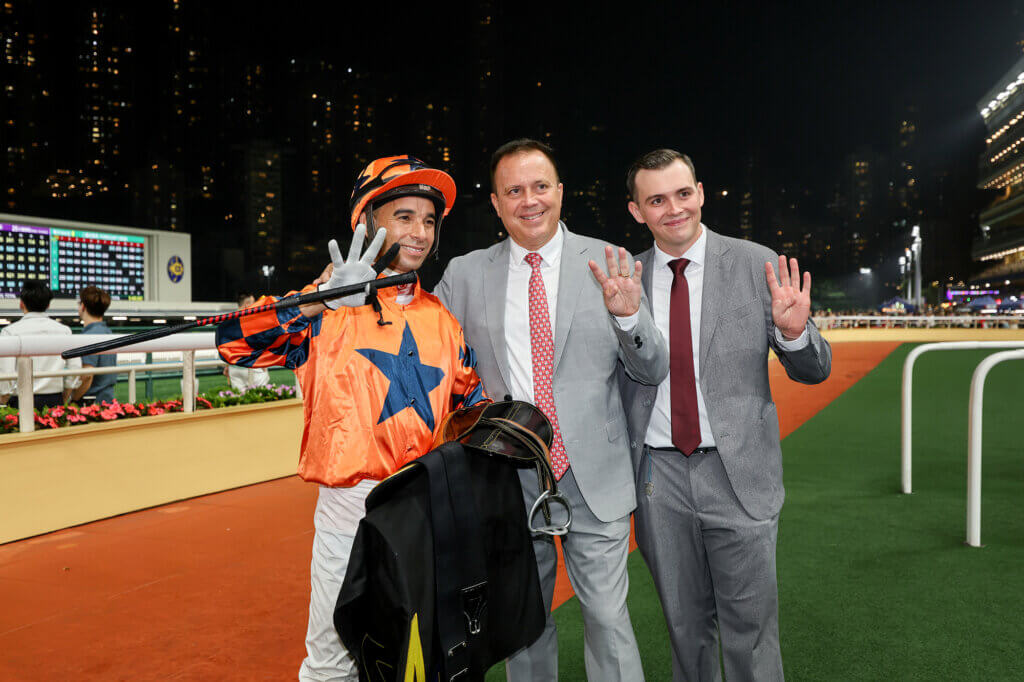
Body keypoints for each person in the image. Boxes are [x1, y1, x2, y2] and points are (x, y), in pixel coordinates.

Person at [216, 155, 486, 682]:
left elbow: (466, 410)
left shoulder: (443, 319)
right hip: (348, 512)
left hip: (421, 510)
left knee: (416, 655)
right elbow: (232, 344)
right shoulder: (322, 308)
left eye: (429, 221)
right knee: (332, 660)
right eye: (404, 216)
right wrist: (321, 298)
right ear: (366, 223)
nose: (421, 232)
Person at [436, 138, 668, 682]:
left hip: (595, 477)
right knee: (524, 625)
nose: (529, 200)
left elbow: (652, 368)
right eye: (513, 190)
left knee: (609, 622)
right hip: (508, 478)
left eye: (540, 186)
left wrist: (631, 319)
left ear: (560, 193)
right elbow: (422, 344)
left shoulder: (609, 261)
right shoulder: (466, 275)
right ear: (495, 203)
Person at [618, 149, 832, 681]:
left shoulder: (755, 262)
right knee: (684, 628)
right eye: (657, 200)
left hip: (739, 474)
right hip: (657, 481)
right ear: (636, 210)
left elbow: (814, 369)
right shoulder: (625, 278)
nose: (674, 209)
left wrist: (792, 333)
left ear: (702, 193)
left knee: (752, 630)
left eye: (683, 193)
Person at [0, 280, 81, 410]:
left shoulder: (10, 332)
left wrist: (4, 400)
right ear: (48, 305)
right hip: (54, 398)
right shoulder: (64, 331)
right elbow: (75, 367)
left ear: (21, 304)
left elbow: (6, 373)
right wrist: (66, 395)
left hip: (20, 400)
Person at [72, 285, 117, 404]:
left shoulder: (89, 336)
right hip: (107, 399)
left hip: (91, 403)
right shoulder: (108, 332)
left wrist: (73, 399)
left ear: (82, 307)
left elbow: (87, 376)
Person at [222, 292, 271, 392]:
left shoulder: (228, 322)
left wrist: (227, 366)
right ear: (247, 305)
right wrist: (264, 364)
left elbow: (226, 346)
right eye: (253, 303)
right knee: (259, 398)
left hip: (234, 369)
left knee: (240, 400)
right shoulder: (254, 320)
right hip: (253, 366)